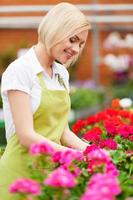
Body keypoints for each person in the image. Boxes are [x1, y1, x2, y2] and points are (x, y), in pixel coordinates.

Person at [0, 2, 91, 199]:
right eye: (73, 40)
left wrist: (94, 153)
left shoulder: (61, 74)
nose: (76, 49)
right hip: (18, 177)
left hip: (48, 176)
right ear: (55, 29)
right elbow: (26, 136)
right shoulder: (21, 71)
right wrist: (72, 155)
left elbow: (63, 132)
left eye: (81, 44)